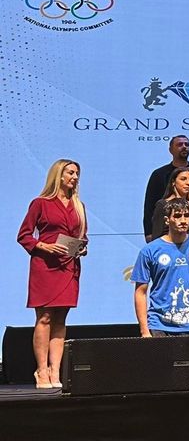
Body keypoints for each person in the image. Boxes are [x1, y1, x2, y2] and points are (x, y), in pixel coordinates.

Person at [18, 159, 88, 390]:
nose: (74, 177)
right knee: (45, 317)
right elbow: (24, 235)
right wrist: (44, 246)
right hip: (45, 266)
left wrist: (82, 248)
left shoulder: (79, 206)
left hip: (69, 266)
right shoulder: (40, 203)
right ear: (59, 175)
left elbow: (83, 237)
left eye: (77, 173)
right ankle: (41, 369)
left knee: (61, 319)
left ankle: (55, 369)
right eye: (70, 173)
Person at [133, 198, 189, 382]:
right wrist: (144, 330)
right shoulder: (150, 251)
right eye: (177, 216)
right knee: (162, 376)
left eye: (186, 216)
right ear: (167, 220)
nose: (183, 220)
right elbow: (141, 292)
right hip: (160, 325)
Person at [143, 136, 189, 240]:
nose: (184, 147)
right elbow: (149, 205)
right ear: (170, 149)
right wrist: (149, 233)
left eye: (187, 144)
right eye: (179, 144)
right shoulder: (159, 174)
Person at [149, 166, 189, 241]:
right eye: (183, 179)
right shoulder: (163, 204)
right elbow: (157, 235)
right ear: (173, 182)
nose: (188, 183)